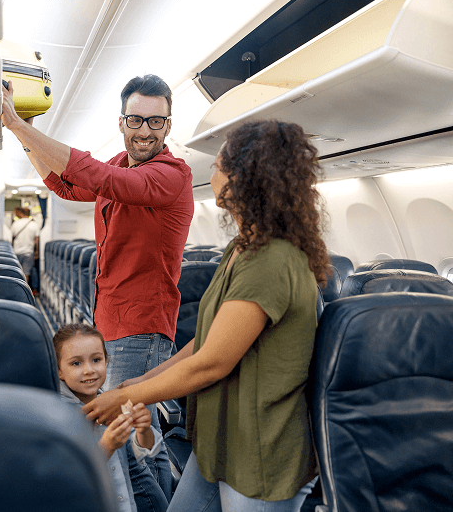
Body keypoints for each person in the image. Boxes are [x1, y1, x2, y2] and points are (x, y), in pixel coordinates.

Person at [83, 120, 330, 511]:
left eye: (217, 166)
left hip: (259, 455)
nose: (209, 174)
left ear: (246, 178)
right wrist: (147, 378)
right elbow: (209, 338)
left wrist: (124, 395)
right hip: (220, 440)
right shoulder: (243, 247)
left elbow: (212, 363)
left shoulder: (271, 260)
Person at [2, 74, 193, 501]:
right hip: (110, 319)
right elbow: (65, 185)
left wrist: (19, 124)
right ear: (122, 121)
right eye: (136, 119)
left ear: (168, 125)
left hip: (141, 327)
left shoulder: (171, 175)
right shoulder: (122, 165)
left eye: (156, 122)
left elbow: (99, 178)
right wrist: (23, 133)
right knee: (140, 438)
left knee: (130, 443)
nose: (145, 130)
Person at [54, 323, 167, 512]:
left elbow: (147, 452)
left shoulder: (112, 404)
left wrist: (143, 430)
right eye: (76, 363)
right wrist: (106, 447)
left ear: (106, 361)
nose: (89, 370)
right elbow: (64, 479)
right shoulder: (57, 415)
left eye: (96, 360)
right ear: (58, 370)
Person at [10, 206, 40, 285]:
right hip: (28, 252)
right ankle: (25, 291)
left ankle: (17, 290)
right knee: (26, 273)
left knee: (16, 272)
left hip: (16, 252)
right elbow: (36, 240)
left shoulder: (15, 223)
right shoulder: (34, 224)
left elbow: (11, 238)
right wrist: (37, 252)